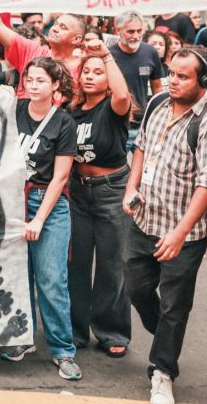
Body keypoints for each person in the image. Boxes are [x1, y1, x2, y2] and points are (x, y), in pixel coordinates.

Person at [123, 47, 207, 404]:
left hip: (183, 234)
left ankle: (163, 370)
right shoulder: (158, 103)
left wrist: (180, 232)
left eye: (183, 76)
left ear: (204, 82)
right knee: (136, 289)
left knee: (174, 306)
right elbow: (140, 147)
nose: (173, 80)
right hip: (144, 220)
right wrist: (130, 188)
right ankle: (167, 337)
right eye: (171, 72)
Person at [1, 58, 81, 382]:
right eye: (29, 80)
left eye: (40, 81)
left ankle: (63, 350)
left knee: (51, 280)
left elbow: (61, 178)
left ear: (55, 86)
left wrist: (38, 220)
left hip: (48, 204)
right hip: (13, 200)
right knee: (19, 276)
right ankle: (23, 339)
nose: (33, 86)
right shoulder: (14, 110)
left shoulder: (64, 123)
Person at [70, 37, 133, 358]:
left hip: (111, 190)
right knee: (77, 263)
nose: (91, 75)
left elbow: (123, 94)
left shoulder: (114, 106)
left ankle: (111, 331)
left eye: (98, 71)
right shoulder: (72, 111)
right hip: (78, 192)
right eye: (86, 71)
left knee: (112, 265)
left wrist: (105, 55)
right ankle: (75, 330)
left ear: (108, 78)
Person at [110, 12, 165, 154]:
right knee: (119, 171)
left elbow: (157, 87)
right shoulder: (109, 56)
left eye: (139, 31)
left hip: (143, 126)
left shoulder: (151, 52)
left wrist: (159, 117)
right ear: (118, 30)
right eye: (130, 31)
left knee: (143, 171)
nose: (135, 35)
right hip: (117, 125)